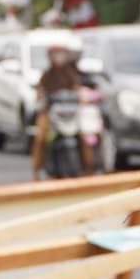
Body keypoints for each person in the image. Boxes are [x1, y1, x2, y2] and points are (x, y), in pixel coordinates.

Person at [31, 34, 92, 179]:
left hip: (70, 113)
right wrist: (41, 98)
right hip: (51, 113)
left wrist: (82, 99)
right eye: (55, 54)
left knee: (86, 137)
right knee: (40, 138)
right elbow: (40, 91)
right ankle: (36, 169)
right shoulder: (47, 74)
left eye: (61, 54)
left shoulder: (71, 73)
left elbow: (78, 89)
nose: (58, 57)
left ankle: (89, 168)